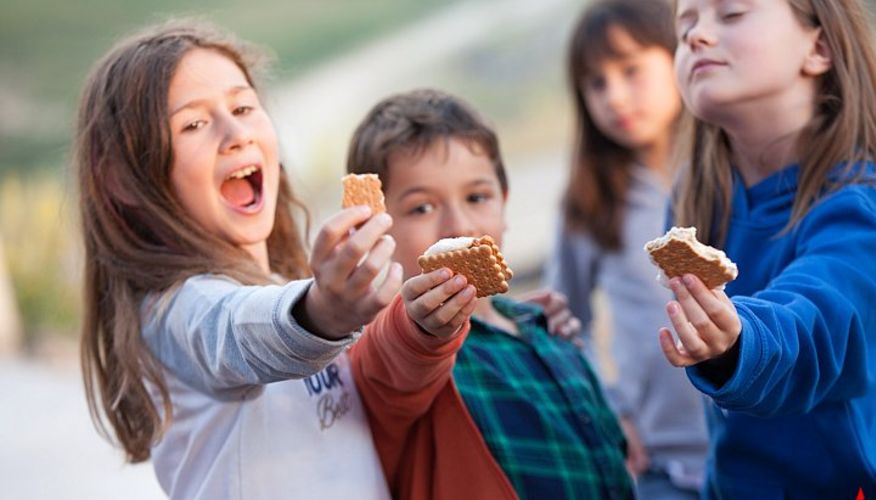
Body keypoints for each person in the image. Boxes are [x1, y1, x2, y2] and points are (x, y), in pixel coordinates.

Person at [75, 21, 404, 499]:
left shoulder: (283, 283)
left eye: (244, 107)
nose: (235, 134)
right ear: (120, 182)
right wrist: (323, 313)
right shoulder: (175, 315)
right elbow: (237, 333)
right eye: (193, 124)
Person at [660, 0, 876, 497]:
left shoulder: (866, 206)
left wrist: (740, 339)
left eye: (731, 15)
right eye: (686, 23)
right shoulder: (693, 204)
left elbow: (819, 318)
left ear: (819, 47)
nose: (697, 36)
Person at [347, 88, 634, 500]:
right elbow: (392, 358)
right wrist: (421, 331)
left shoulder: (543, 327)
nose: (459, 225)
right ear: (374, 228)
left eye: (477, 197)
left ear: (504, 201)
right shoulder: (403, 353)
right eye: (421, 208)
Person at [543, 1, 708, 497]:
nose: (615, 96)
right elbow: (564, 320)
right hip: (664, 463)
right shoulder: (591, 204)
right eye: (596, 82)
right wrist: (611, 408)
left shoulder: (731, 168)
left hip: (763, 437)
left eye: (631, 69)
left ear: (679, 55)